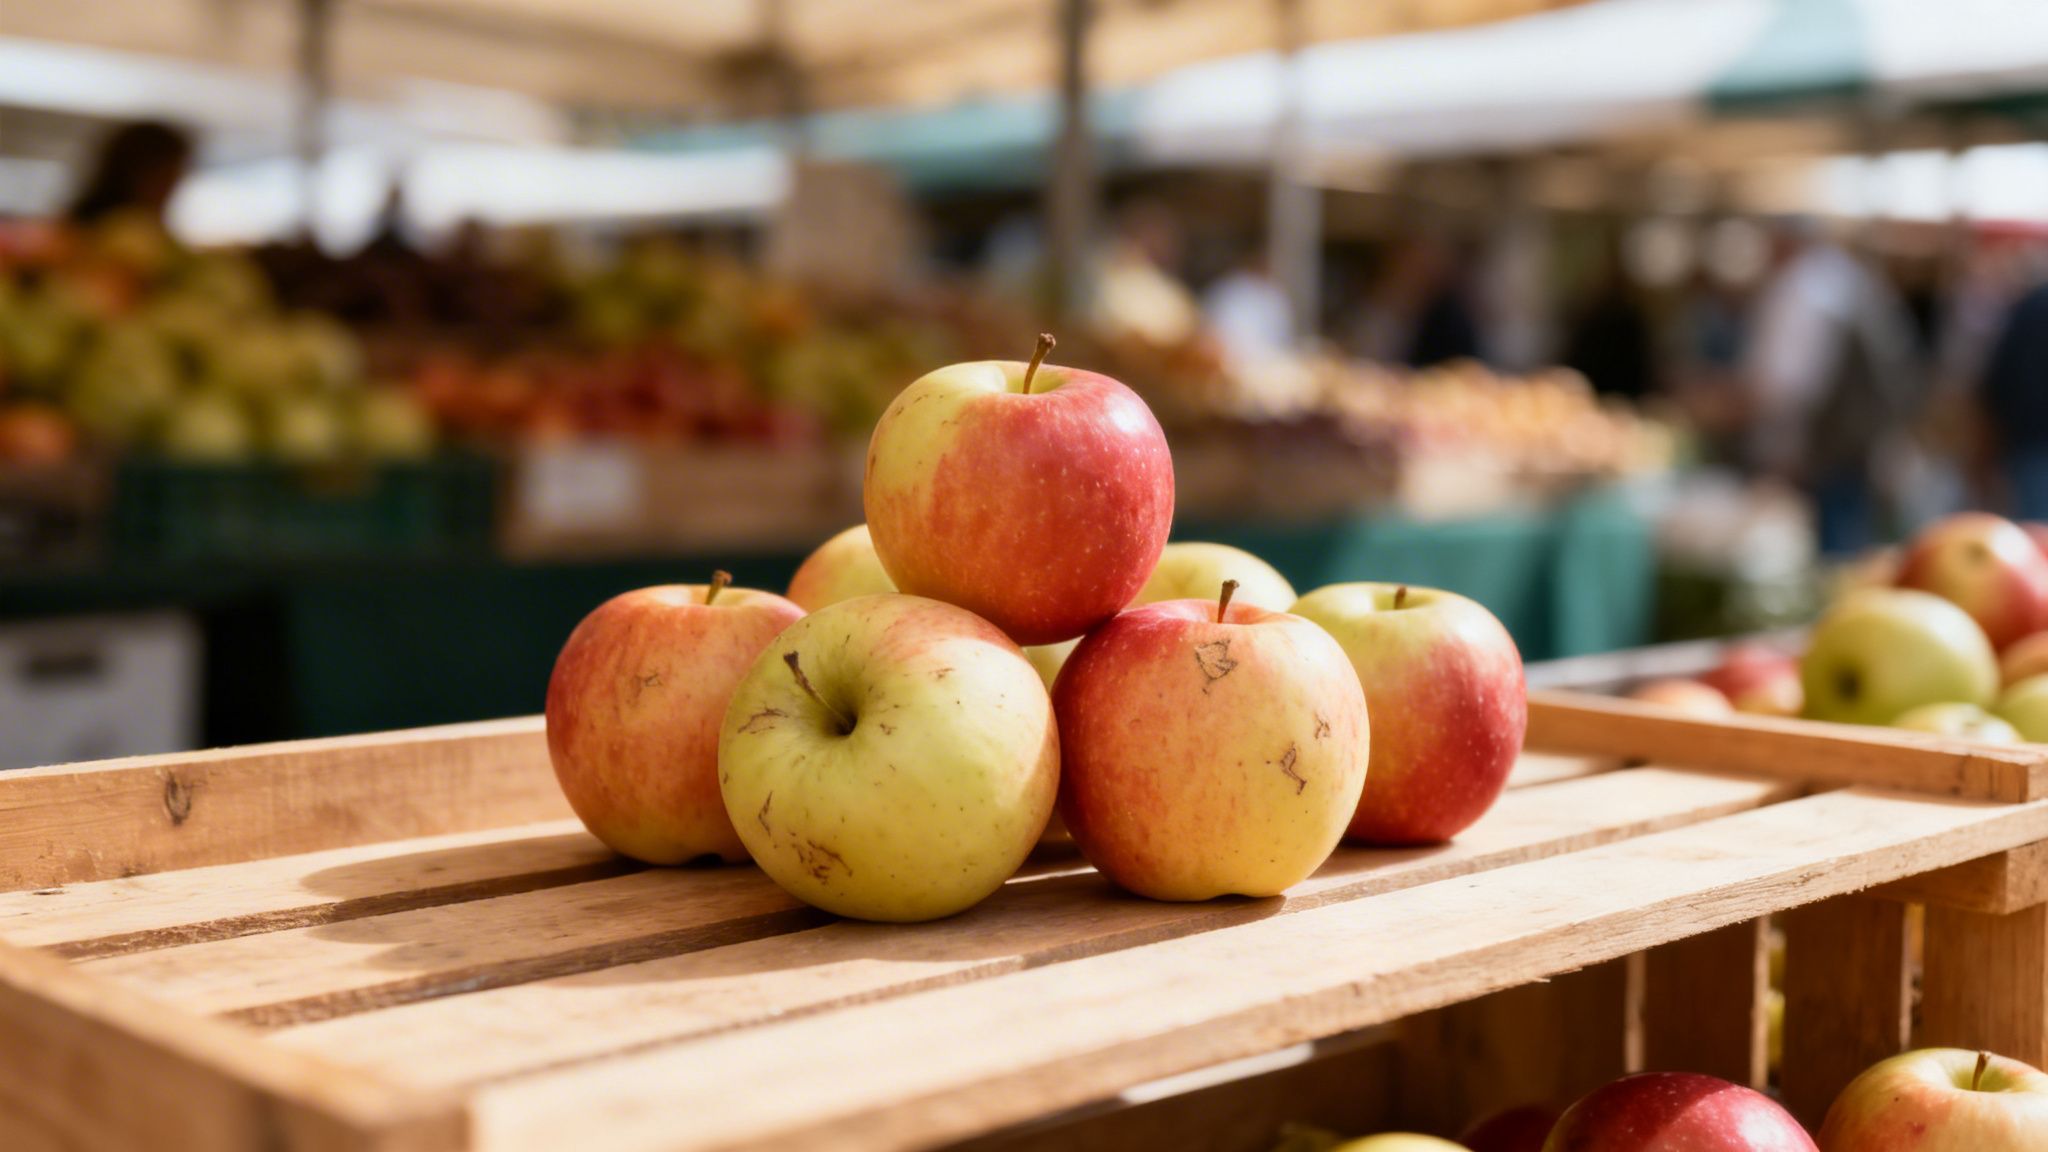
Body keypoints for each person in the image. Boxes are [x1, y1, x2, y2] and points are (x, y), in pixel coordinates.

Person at [1744, 220, 1923, 554]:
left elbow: (1787, 385)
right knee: (1853, 535)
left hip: (1832, 445)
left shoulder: (1805, 288)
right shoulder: (1845, 279)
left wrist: (1780, 446)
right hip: (1858, 437)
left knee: (1834, 544)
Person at [1982, 279, 2048, 518]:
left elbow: (1999, 376)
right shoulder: (2033, 305)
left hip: (2029, 443)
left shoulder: (2032, 304)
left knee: (2038, 532)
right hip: (2031, 442)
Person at [66, 120, 194, 227]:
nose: (170, 187)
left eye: (174, 176)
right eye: (165, 175)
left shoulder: (151, 231)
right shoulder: (71, 236)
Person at [1201, 250, 1293, 366]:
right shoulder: (1226, 291)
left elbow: (1282, 339)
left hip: (1270, 364)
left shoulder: (1275, 294)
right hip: (1233, 365)